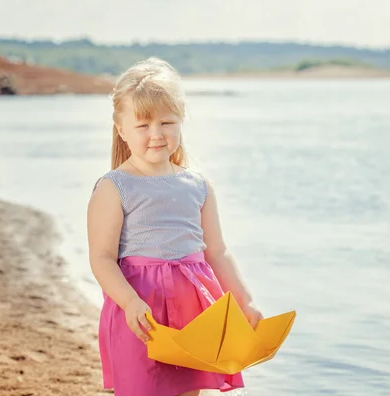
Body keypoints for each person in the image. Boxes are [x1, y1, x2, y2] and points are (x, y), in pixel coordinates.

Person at [87, 57, 263, 396]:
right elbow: (102, 258)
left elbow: (218, 252)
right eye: (143, 126)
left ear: (181, 121)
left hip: (194, 309)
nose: (157, 134)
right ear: (121, 130)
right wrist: (128, 301)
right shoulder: (115, 186)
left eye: (167, 122)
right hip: (142, 311)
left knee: (187, 391)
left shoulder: (197, 184)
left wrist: (245, 300)